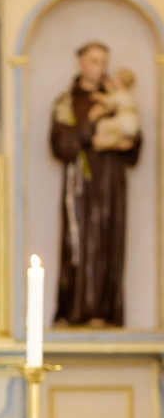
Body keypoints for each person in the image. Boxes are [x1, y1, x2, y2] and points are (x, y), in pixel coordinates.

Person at [51, 41, 141, 327]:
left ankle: (106, 312)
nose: (100, 68)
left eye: (103, 62)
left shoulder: (115, 98)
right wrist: (90, 122)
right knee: (79, 245)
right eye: (94, 61)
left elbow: (133, 144)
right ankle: (75, 312)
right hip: (81, 187)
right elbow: (61, 146)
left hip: (111, 186)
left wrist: (127, 142)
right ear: (81, 63)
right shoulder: (67, 102)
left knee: (108, 246)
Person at [91, 67, 140, 151]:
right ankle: (111, 141)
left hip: (124, 121)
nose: (113, 79)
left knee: (103, 124)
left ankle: (101, 138)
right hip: (132, 123)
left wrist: (98, 96)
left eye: (116, 78)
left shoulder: (120, 94)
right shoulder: (127, 95)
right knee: (115, 133)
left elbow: (109, 99)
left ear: (120, 82)